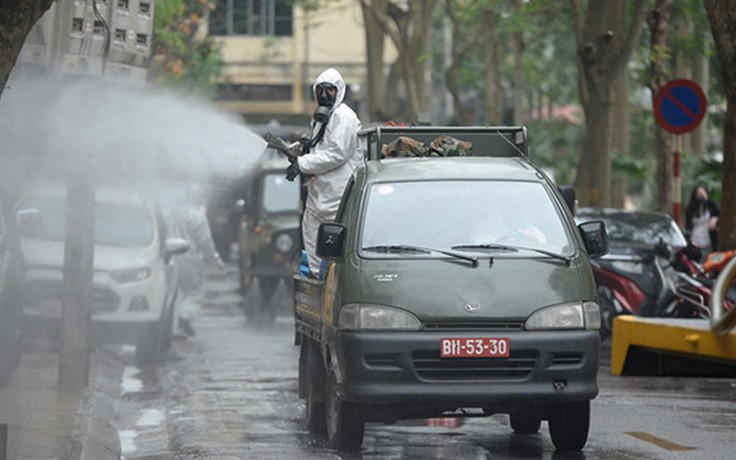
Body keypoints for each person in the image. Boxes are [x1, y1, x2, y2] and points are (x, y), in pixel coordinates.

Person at [286, 68, 364, 278]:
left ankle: (333, 279)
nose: (324, 95)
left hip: (339, 194)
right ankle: (315, 276)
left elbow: (337, 153)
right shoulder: (322, 118)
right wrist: (302, 149)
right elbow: (320, 148)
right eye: (320, 89)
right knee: (310, 232)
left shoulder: (344, 116)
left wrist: (302, 164)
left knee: (336, 242)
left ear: (339, 91)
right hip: (320, 192)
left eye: (329, 90)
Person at [167, 184, 224, 337]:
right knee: (194, 292)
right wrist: (216, 259)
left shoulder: (174, 212)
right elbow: (205, 242)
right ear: (198, 198)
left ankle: (172, 327)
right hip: (190, 258)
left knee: (176, 291)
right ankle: (184, 317)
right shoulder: (198, 217)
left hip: (170, 254)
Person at [684, 185, 719, 260]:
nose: (701, 196)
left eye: (702, 193)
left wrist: (715, 219)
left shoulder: (712, 206)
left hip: (708, 242)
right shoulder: (691, 209)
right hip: (695, 242)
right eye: (698, 194)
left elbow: (720, 214)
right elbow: (688, 226)